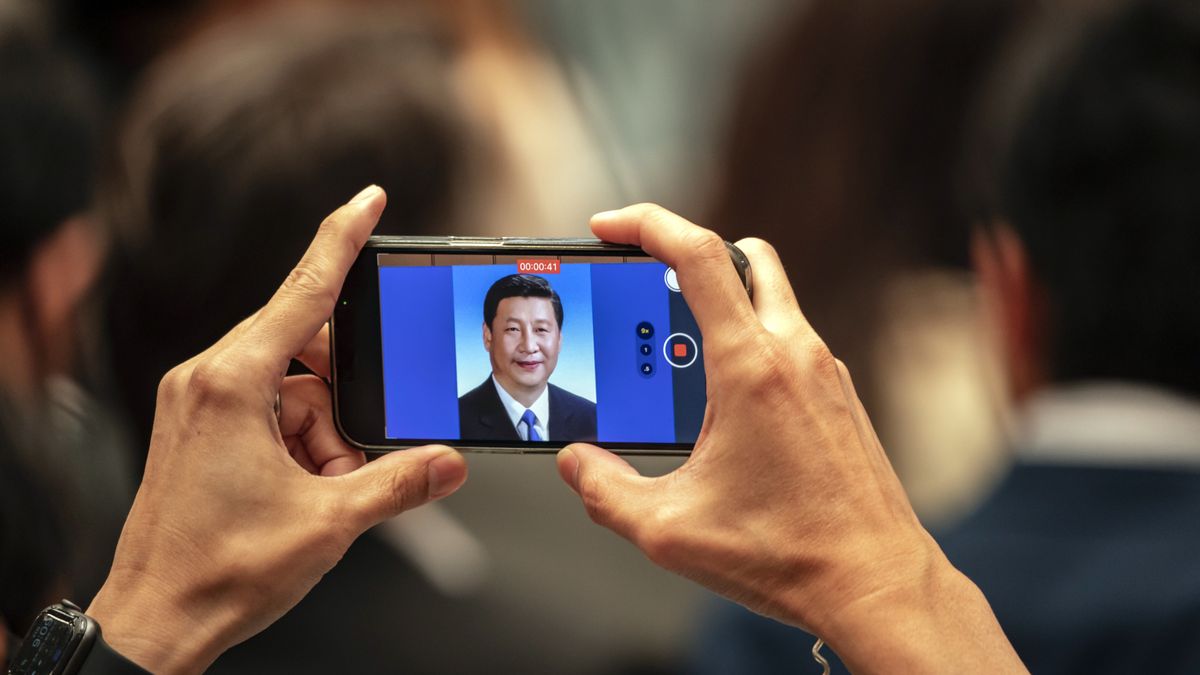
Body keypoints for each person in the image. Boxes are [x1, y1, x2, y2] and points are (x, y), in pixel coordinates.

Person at [458, 273, 596, 442]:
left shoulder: (591, 417)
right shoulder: (456, 420)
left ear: (559, 339)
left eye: (541, 330)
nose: (529, 347)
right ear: (488, 336)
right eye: (513, 329)